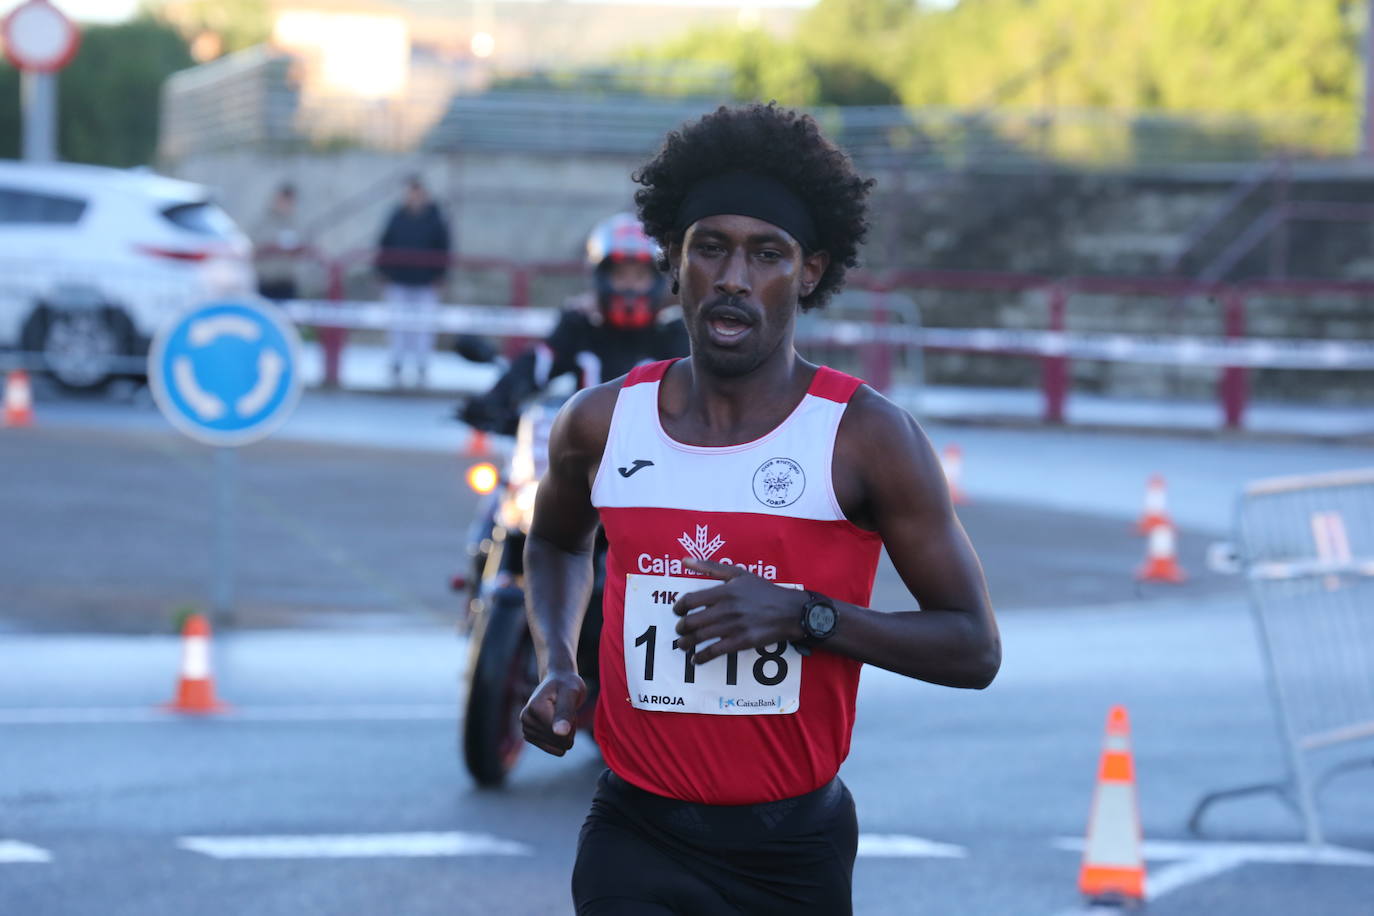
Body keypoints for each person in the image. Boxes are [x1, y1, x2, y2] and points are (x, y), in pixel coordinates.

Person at [520, 103, 1001, 915]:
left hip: (790, 853)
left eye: (766, 253)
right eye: (710, 247)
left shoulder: (866, 438)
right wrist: (559, 665)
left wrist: (806, 618)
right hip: (633, 835)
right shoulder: (600, 423)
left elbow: (972, 647)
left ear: (809, 271)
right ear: (674, 259)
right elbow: (557, 545)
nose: (734, 277)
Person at [458, 213, 688, 436]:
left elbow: (700, 394)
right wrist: (495, 400)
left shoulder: (672, 333)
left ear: (656, 281)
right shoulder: (580, 326)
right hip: (582, 452)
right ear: (602, 278)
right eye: (620, 276)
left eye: (639, 277)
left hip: (653, 458)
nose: (628, 288)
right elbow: (537, 365)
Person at [375, 175, 450, 388]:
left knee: (423, 327)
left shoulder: (436, 220)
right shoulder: (396, 217)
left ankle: (421, 365)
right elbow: (385, 244)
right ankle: (397, 363)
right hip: (399, 280)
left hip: (425, 282)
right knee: (398, 326)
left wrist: (440, 275)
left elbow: (444, 248)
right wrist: (382, 271)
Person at [252, 183, 304, 302]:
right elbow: (256, 247)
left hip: (287, 281)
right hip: (267, 281)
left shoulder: (294, 223)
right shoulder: (264, 223)